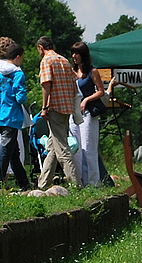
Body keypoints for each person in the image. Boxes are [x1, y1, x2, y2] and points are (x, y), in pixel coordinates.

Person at [36, 36, 81, 189]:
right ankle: (42, 184)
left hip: (54, 107)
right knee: (52, 146)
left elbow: (46, 85)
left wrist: (44, 107)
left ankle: (76, 185)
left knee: (62, 148)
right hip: (67, 107)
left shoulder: (46, 61)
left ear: (41, 48)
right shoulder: (64, 60)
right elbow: (74, 84)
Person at [69, 42, 105, 187]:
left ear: (83, 55)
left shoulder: (92, 71)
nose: (74, 56)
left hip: (88, 113)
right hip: (73, 113)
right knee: (76, 148)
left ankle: (94, 182)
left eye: (76, 53)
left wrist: (86, 99)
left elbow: (101, 90)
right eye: (72, 53)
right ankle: (80, 181)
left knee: (88, 147)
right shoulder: (72, 71)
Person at [0, 43, 31, 190]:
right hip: (11, 116)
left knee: (14, 152)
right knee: (6, 151)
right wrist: (24, 94)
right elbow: (20, 98)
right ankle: (0, 183)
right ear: (17, 57)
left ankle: (23, 182)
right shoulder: (18, 74)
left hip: (0, 113)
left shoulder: (0, 71)